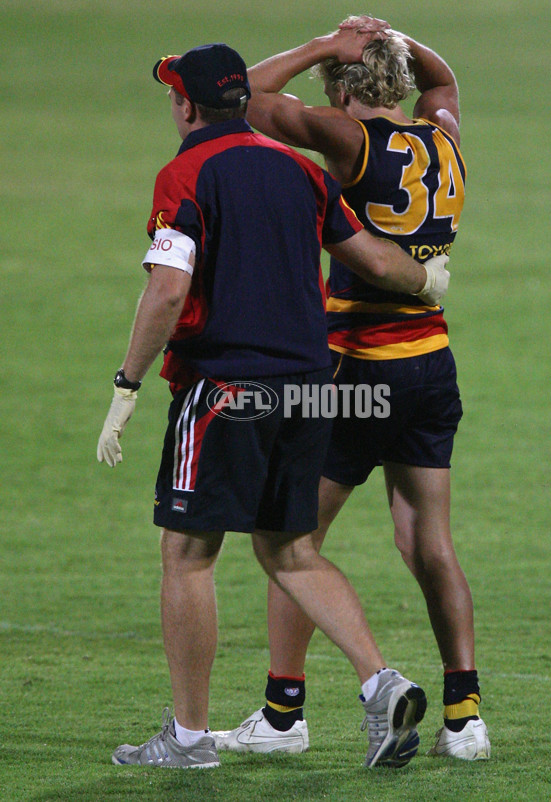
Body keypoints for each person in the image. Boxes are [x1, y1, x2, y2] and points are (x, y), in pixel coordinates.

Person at [97, 42, 451, 769]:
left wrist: (127, 384)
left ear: (187, 105)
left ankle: (190, 739)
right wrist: (426, 281)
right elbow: (378, 259)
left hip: (226, 389)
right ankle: (382, 686)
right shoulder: (300, 171)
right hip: (310, 388)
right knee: (289, 549)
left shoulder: (187, 171)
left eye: (174, 94)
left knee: (187, 554)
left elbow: (166, 289)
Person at [213, 17, 490, 761]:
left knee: (289, 538)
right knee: (428, 542)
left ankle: (282, 714)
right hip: (433, 364)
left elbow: (248, 98)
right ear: (397, 82)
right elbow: (443, 80)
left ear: (339, 88)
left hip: (359, 371)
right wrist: (395, 36)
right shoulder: (442, 134)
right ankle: (466, 718)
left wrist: (319, 45)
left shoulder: (348, 140)